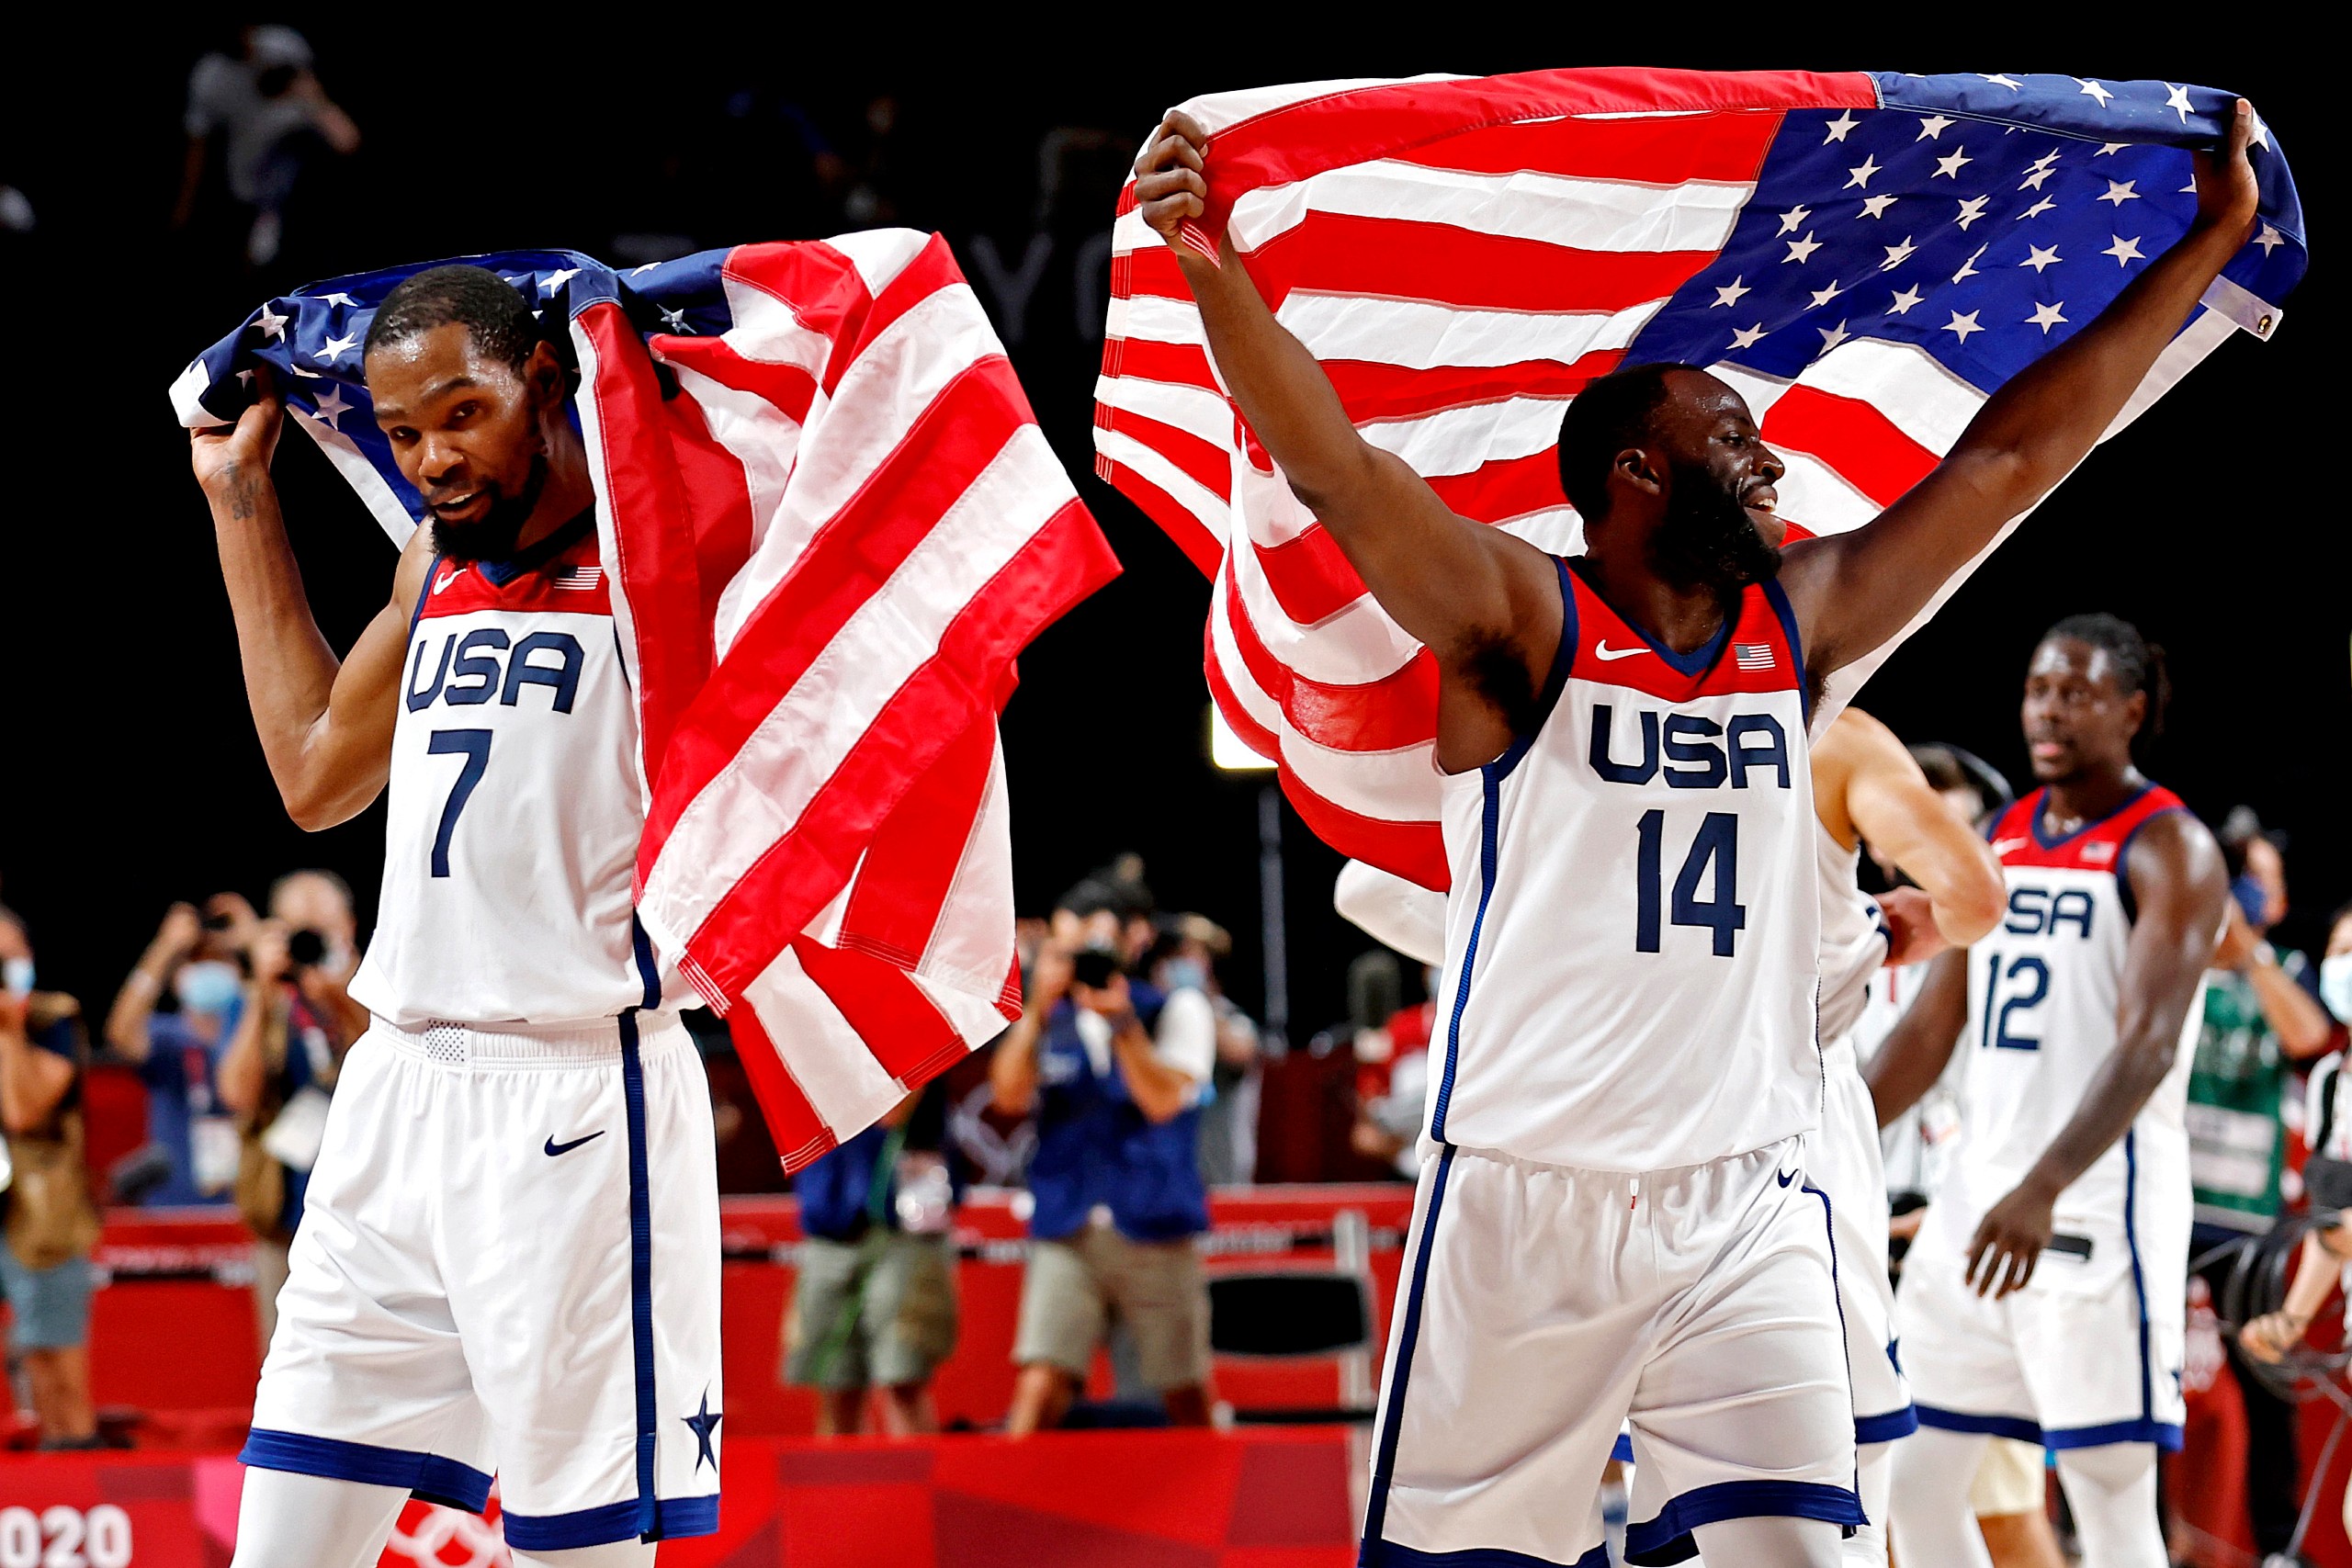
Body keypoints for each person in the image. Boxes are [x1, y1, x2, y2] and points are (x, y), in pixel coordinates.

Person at [1133, 93, 2258, 1568]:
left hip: (1746, 1196)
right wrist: (1211, 270)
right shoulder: (1519, 618)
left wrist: (2202, 252)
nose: (1770, 463)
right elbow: (1340, 468)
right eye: (1734, 437)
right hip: (1526, 1197)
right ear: (1639, 472)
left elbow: (2005, 463)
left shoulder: (1797, 630)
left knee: (1801, 1552)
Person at [187, 265, 720, 1563]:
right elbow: (315, 776)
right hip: (394, 1092)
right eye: (404, 431)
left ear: (544, 380)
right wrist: (240, 498)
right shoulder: (433, 561)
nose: (431, 458)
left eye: (461, 415)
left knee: (578, 1553)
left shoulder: (668, 554)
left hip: (577, 1099)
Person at [1870, 615, 2232, 1568]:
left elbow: (2148, 1046)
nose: (2048, 711)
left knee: (2110, 1506)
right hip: (1972, 1207)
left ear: (2131, 710)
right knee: (1910, 1483)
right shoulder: (1999, 836)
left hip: (2091, 1213)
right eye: (2038, 690)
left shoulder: (2172, 847)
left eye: (2076, 692)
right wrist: (1836, 1136)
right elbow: (1931, 1026)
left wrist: (2043, 1186)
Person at [1804, 706, 2009, 1565]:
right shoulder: (1855, 921)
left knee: (1994, 1509)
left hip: (1939, 1227)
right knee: (1882, 1495)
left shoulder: (1968, 934)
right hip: (1835, 1204)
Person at [989, 886, 1216, 1435]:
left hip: (1155, 1223)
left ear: (1128, 943)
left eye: (1089, 949)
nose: (1078, 963)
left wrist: (1123, 1026)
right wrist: (1035, 1012)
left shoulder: (1172, 1008)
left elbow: (1162, 1101)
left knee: (1184, 1393)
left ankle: (1216, 1486)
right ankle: (1014, 1488)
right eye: (1064, 950)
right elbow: (1008, 1097)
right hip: (1067, 1224)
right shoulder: (1050, 1020)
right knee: (1040, 1383)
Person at [2183, 814, 2336, 1558]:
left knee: (2266, 1385)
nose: (2260, 894)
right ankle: (2120, 1533)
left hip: (2249, 1216)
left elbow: (2310, 1037)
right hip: (2164, 1203)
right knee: (2135, 1375)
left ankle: (2280, 1543)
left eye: (2267, 883)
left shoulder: (2288, 967)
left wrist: (2248, 953)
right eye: (2248, 878)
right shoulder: (2172, 951)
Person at [217, 878, 364, 1348]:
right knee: (286, 1361)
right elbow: (236, 1094)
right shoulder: (263, 1001)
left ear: (350, 927)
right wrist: (262, 994)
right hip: (285, 1216)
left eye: (322, 929)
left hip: (371, 1220)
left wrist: (338, 998)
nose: (310, 943)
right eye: (299, 932)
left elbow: (388, 1071)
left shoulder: (381, 991)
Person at [781, 1084, 959, 1437]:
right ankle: (839, 1475)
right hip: (829, 1222)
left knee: (903, 1379)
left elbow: (891, 1111)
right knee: (835, 1384)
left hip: (904, 1228)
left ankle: (917, 1474)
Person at [0, 916, 103, 1449]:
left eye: (7, 958)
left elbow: (22, 1111)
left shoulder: (54, 1018)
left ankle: (71, 1458)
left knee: (54, 1359)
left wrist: (8, 1030)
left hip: (41, 1215)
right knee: (26, 1358)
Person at [104, 896, 254, 1207]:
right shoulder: (167, 1035)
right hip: (174, 1205)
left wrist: (253, 941)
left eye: (221, 959)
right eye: (197, 960)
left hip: (250, 1204)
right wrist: (165, 948)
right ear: (178, 976)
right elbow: (120, 1034)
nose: (210, 968)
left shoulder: (254, 1028)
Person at [174, 25, 360, 267]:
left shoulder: (287, 58)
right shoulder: (212, 77)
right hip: (252, 194)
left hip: (300, 198)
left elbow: (346, 139)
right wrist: (184, 206)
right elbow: (198, 143)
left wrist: (304, 94)